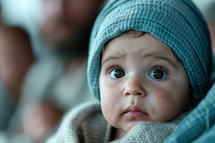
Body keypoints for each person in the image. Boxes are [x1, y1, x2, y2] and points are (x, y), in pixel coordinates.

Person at [46, 0, 212, 142]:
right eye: (117, 72)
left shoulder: (193, 132)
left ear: (192, 84)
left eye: (157, 73)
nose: (132, 88)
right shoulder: (80, 124)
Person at [1, 0, 105, 142]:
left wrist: (67, 126)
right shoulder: (40, 73)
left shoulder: (119, 73)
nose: (58, 9)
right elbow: (12, 133)